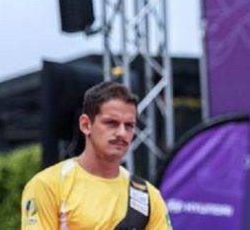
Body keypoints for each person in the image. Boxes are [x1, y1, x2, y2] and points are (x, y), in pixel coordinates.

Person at [21, 81, 172, 229]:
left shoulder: (148, 196)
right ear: (86, 125)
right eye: (111, 123)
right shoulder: (49, 184)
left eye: (129, 125)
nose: (122, 133)